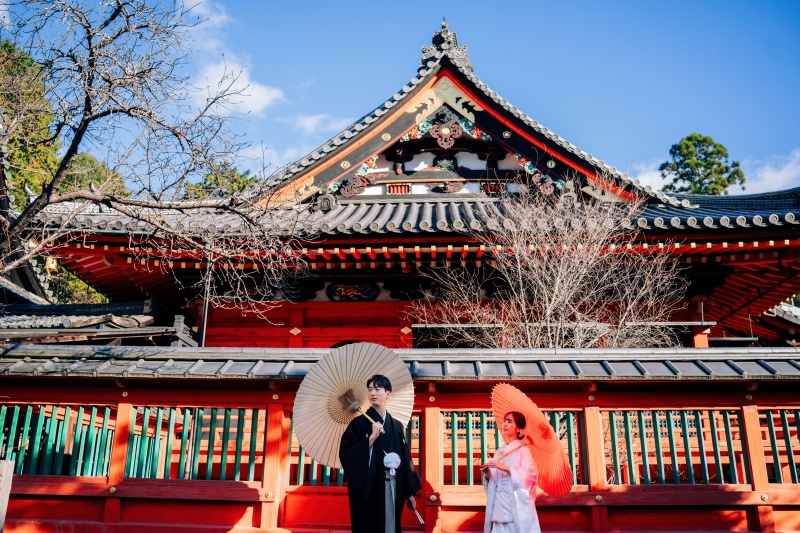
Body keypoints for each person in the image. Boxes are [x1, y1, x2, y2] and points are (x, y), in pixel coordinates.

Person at [339, 374, 422, 533]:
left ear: (388, 393)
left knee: (390, 526)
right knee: (369, 525)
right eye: (370, 389)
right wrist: (370, 439)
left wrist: (409, 493)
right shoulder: (359, 423)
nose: (373, 393)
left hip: (394, 486)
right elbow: (346, 453)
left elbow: (405, 459)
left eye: (377, 389)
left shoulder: (396, 426)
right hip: (369, 486)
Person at [481, 411, 541, 533]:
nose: (505, 424)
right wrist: (488, 474)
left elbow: (531, 475)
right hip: (499, 502)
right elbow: (495, 480)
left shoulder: (523, 450)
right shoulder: (500, 451)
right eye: (504, 421)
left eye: (509, 421)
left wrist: (506, 468)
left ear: (519, 429)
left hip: (514, 503)